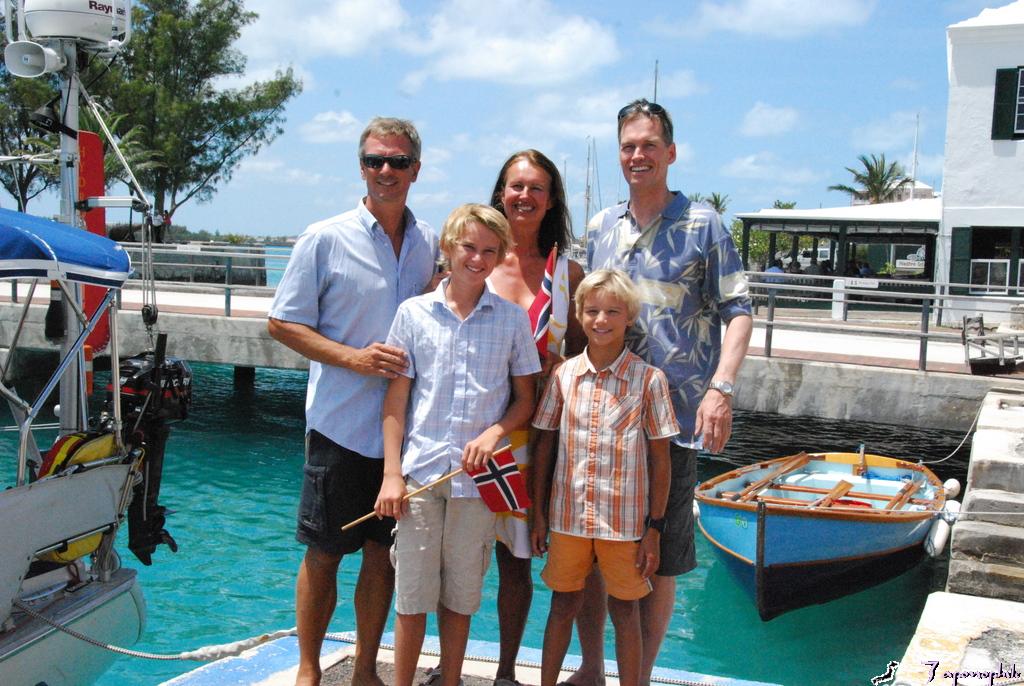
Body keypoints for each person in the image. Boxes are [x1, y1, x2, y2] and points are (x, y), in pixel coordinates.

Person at [582, 99, 753, 686]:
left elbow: (738, 309)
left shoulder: (704, 225)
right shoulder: (601, 228)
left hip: (676, 422)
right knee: (596, 552)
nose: (638, 155)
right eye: (628, 146)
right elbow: (587, 310)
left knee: (661, 560)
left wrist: (721, 389)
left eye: (649, 145)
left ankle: (639, 677)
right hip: (604, 420)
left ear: (671, 153)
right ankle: (593, 670)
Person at [267, 117, 437, 686]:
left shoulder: (429, 243)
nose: (385, 170)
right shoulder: (324, 237)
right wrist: (353, 358)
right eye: (374, 160)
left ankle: (365, 669)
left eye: (397, 161)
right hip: (339, 426)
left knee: (381, 556)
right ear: (361, 167)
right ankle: (309, 671)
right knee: (324, 553)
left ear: (416, 169)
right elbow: (282, 323)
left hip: (403, 435)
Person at [374, 203, 541, 686]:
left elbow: (525, 399)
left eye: (489, 250)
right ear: (449, 247)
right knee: (411, 597)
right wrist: (391, 474)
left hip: (478, 483)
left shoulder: (512, 320)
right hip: (422, 475)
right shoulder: (413, 314)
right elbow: (396, 399)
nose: (477, 258)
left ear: (501, 256)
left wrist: (494, 433)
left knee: (461, 598)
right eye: (469, 247)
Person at [530, 269, 679, 686]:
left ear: (628, 317)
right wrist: (539, 514)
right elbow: (544, 447)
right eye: (592, 311)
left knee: (625, 611)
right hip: (568, 518)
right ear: (579, 315)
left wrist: (654, 529)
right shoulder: (563, 377)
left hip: (624, 523)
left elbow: (661, 460)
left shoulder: (649, 380)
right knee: (562, 605)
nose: (601, 320)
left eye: (613, 311)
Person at [486, 149, 586, 686]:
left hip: (534, 441)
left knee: (516, 562)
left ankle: (505, 672)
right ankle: (449, 665)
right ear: (501, 193)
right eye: (516, 185)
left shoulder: (568, 274)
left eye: (536, 188)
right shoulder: (476, 259)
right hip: (474, 433)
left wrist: (558, 364)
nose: (524, 196)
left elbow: (585, 356)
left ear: (551, 201)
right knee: (454, 555)